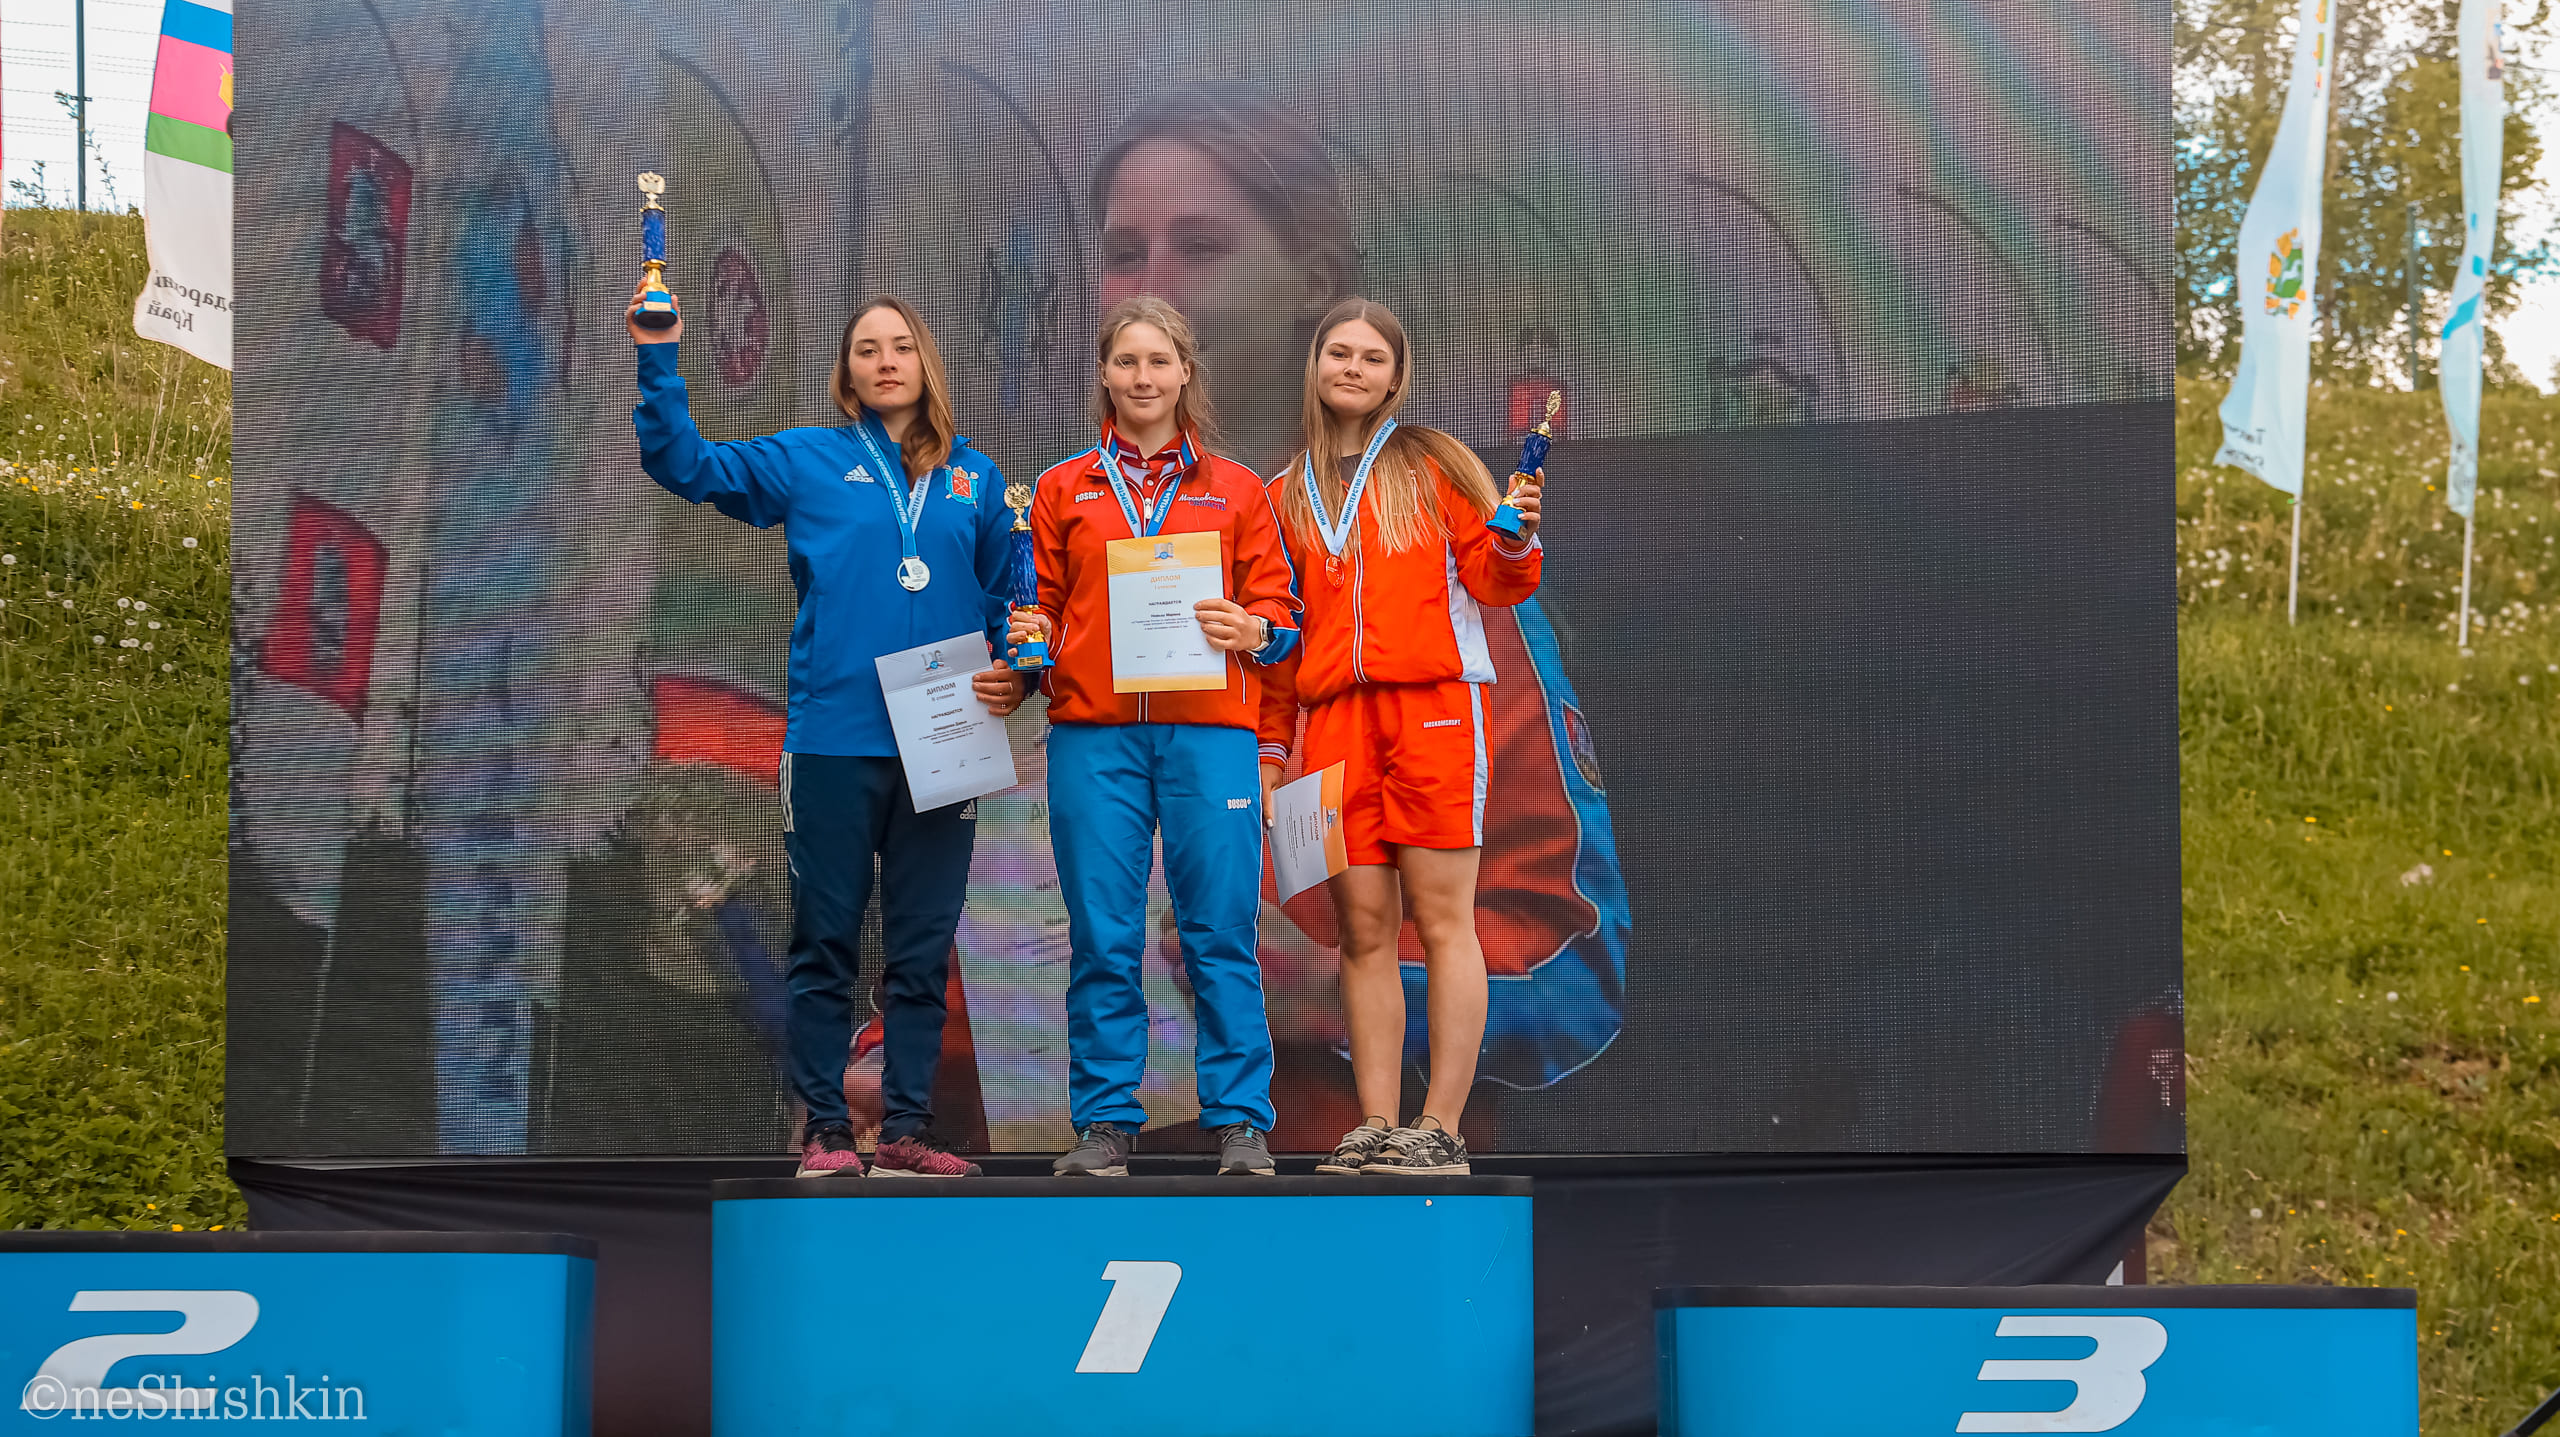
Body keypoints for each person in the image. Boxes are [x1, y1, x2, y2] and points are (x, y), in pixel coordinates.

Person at [629, 281, 1024, 1178]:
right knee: (825, 941)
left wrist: (1018, 666)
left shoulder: (976, 477)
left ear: (926, 362)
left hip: (948, 732)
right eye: (867, 350)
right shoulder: (808, 459)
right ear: (847, 374)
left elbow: (1012, 598)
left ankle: (908, 1127)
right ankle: (829, 1132)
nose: (886, 361)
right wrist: (659, 356)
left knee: (923, 947)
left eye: (901, 346)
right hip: (835, 738)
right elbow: (685, 463)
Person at [1007, 296, 1301, 1177]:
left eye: (1158, 361)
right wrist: (1028, 638)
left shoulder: (1238, 488)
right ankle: (1105, 1120)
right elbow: (1037, 608)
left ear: (1184, 373)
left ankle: (1240, 1120)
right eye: (1126, 361)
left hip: (1210, 735)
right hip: (1095, 737)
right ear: (1104, 373)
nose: (1142, 377)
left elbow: (1281, 615)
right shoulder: (1062, 488)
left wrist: (1254, 628)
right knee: (1103, 935)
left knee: (1221, 929)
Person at [1259, 299, 1542, 1177]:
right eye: (1338, 352)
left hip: (1433, 711)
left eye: (1371, 357)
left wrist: (1518, 537)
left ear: (1395, 377)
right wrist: (1272, 751)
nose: (1352, 367)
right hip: (1335, 725)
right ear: (1315, 366)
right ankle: (1376, 1121)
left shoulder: (1434, 465)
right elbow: (1279, 641)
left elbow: (1496, 580)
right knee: (1363, 928)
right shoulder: (1282, 492)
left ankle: (1440, 1125)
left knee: (1446, 919)